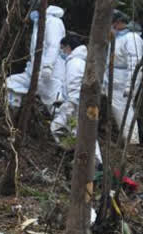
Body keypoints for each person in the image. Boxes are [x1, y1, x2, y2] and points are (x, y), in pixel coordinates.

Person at [50, 35, 102, 164]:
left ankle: (88, 161)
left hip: (78, 104)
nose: (62, 52)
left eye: (63, 49)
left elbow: (75, 84)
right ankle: (89, 160)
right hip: (83, 102)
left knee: (59, 127)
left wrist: (70, 104)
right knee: (84, 133)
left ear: (68, 47)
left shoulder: (74, 62)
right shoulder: (81, 61)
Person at [6, 2, 66, 114]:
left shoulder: (53, 22)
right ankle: (12, 116)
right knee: (11, 83)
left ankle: (59, 130)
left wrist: (48, 66)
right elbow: (36, 52)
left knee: (54, 107)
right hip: (34, 73)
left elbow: (53, 46)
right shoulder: (38, 23)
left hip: (50, 75)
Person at [109, 10, 143, 145]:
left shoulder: (131, 38)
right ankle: (127, 139)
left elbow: (135, 64)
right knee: (119, 110)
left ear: (118, 23)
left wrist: (130, 85)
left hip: (124, 81)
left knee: (124, 110)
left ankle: (132, 141)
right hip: (116, 79)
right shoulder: (118, 37)